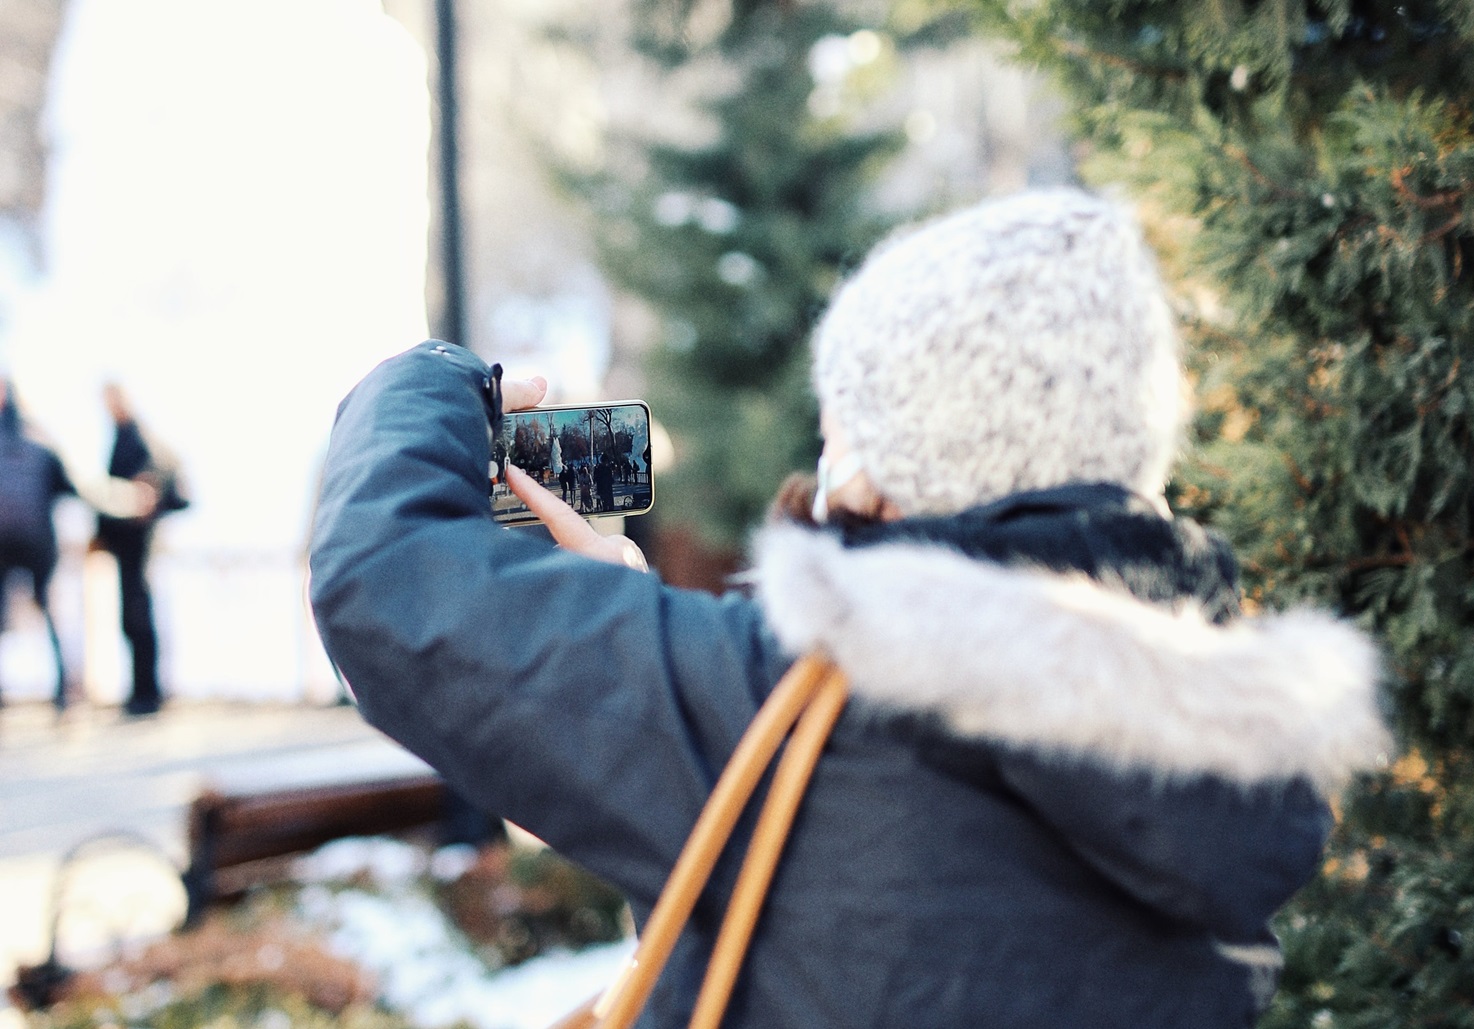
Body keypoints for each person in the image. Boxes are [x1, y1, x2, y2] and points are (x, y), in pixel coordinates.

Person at [310, 190, 1390, 1027]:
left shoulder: (791, 710)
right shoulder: (1232, 759)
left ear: (871, 473)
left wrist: (434, 378)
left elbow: (379, 573)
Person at [93, 381, 188, 717]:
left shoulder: (139, 438)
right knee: (133, 618)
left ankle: (148, 694)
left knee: (139, 616)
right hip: (128, 545)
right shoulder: (123, 436)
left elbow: (155, 480)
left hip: (141, 544)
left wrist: (146, 491)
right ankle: (142, 691)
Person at [0, 380, 76, 710]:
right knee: (40, 611)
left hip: (31, 542)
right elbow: (68, 486)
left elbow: (66, 485)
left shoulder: (37, 440)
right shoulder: (40, 438)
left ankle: (64, 690)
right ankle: (64, 690)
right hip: (24, 540)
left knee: (48, 610)